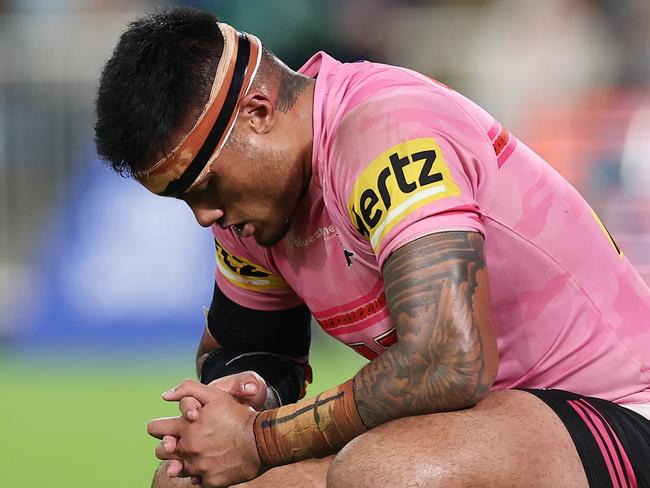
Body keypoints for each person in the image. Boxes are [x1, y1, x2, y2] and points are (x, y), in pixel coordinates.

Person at [94, 7, 650, 488]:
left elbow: (448, 361)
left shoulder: (383, 130)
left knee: (385, 474)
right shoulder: (249, 211)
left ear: (258, 113)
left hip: (619, 410)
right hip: (485, 424)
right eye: (181, 198)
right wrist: (245, 397)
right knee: (188, 481)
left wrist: (259, 440)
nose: (204, 216)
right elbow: (252, 348)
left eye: (204, 186)